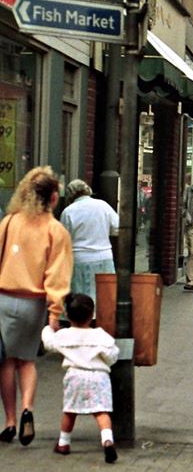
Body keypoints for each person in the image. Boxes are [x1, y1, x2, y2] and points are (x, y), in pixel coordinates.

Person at [0, 167, 73, 446]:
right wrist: (55, 312)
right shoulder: (56, 231)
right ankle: (27, 410)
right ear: (54, 198)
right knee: (27, 360)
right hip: (33, 303)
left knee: (7, 361)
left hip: (4, 299)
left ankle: (8, 422)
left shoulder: (8, 222)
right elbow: (57, 275)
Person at [41, 293, 118, 462]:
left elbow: (49, 343)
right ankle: (107, 440)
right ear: (92, 315)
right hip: (99, 377)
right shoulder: (100, 335)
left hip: (75, 376)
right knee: (101, 411)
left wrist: (49, 328)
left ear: (67, 315)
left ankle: (63, 443)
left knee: (70, 411)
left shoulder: (64, 336)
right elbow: (113, 354)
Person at [59, 180, 119, 307]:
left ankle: (83, 321)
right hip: (104, 256)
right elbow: (117, 228)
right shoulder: (103, 205)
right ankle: (103, 319)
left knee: (81, 297)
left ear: (71, 195)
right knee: (104, 296)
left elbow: (63, 239)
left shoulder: (68, 211)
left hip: (79, 258)